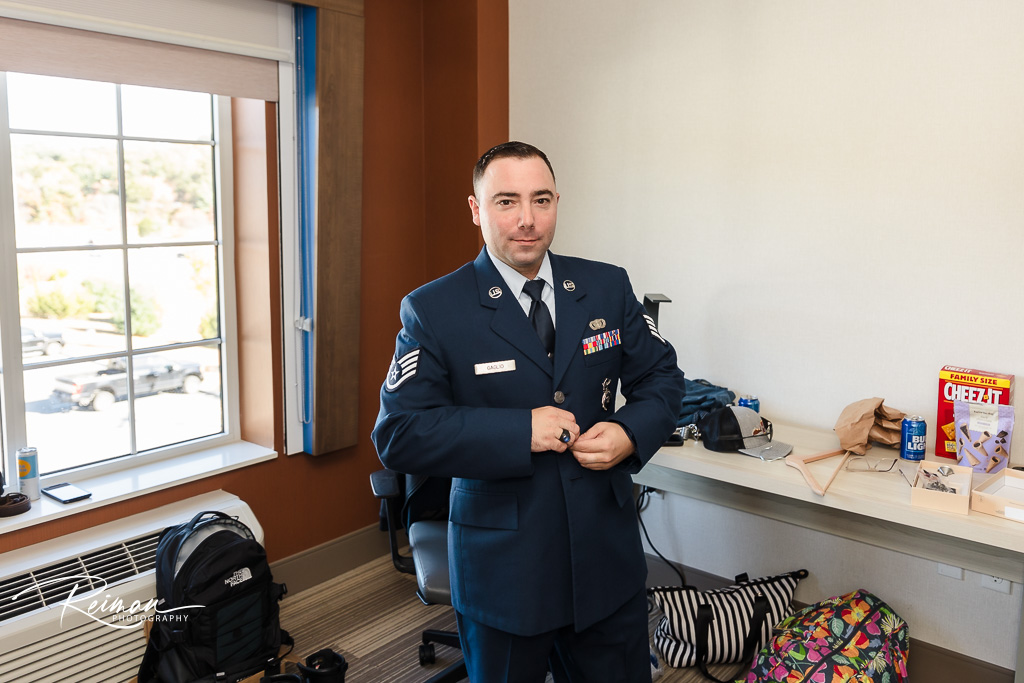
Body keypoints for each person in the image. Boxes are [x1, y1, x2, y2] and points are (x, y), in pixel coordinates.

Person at [372, 141, 685, 682]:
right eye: (505, 202)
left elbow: (662, 376)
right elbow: (400, 433)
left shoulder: (605, 286)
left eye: (541, 201)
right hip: (505, 569)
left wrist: (631, 432)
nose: (526, 220)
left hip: (604, 558)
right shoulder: (434, 309)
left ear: (557, 202)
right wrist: (522, 430)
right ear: (476, 210)